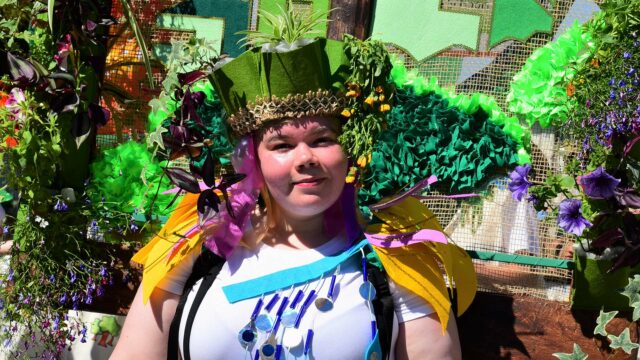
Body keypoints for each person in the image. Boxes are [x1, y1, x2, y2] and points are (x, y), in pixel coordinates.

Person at [112, 11, 475, 360]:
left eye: (322, 140)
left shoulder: (399, 255)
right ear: (251, 159)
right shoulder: (200, 238)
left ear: (352, 151)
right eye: (282, 145)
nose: (305, 158)